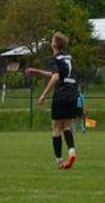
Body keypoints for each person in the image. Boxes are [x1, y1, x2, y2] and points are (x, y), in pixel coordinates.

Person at [27, 31, 79, 169]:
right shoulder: (69, 58)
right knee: (67, 126)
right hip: (73, 93)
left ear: (54, 44)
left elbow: (55, 77)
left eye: (51, 40)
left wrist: (44, 94)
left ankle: (59, 160)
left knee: (56, 127)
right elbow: (57, 74)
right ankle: (72, 151)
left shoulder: (55, 59)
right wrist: (38, 72)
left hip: (61, 93)